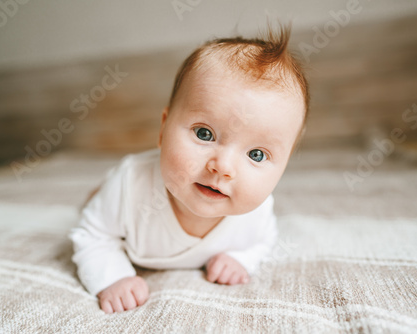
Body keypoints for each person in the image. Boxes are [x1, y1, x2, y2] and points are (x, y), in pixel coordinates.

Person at [69, 24, 310, 314]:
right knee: (97, 206)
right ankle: (95, 194)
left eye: (256, 154)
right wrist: (112, 277)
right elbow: (92, 235)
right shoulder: (130, 185)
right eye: (204, 134)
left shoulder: (257, 214)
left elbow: (264, 241)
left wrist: (241, 259)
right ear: (163, 129)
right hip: (119, 193)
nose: (222, 167)